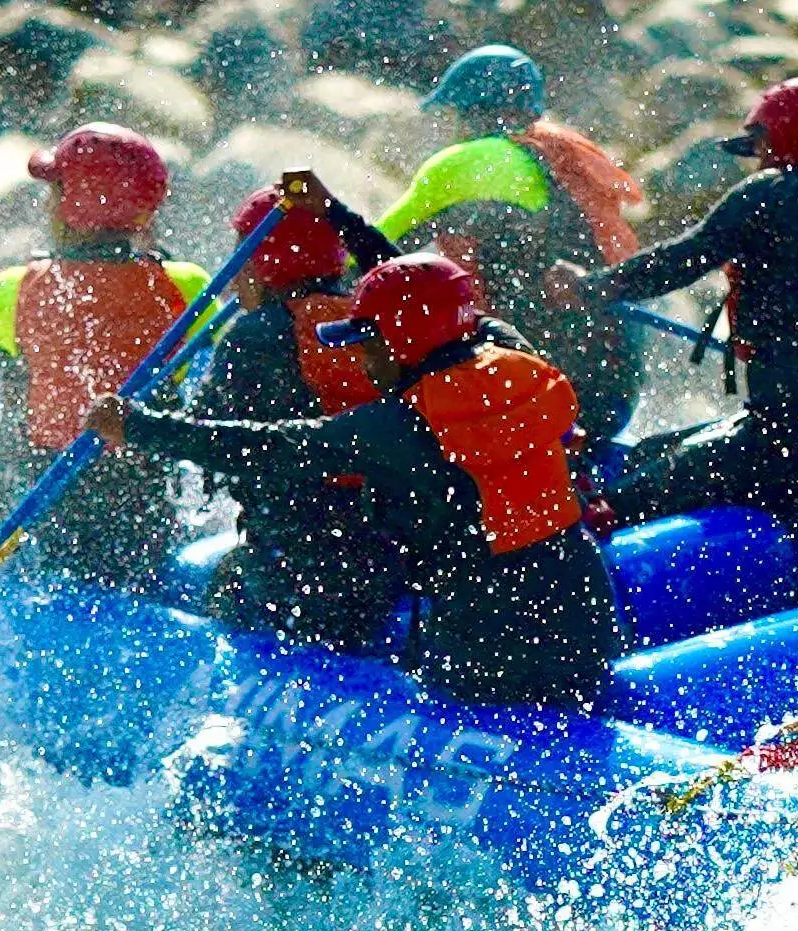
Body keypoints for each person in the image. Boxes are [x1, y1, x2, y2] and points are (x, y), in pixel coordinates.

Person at [85, 252, 625, 711]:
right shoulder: (518, 363)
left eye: (367, 341)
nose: (359, 358)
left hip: (492, 632)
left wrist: (137, 426)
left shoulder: (400, 426)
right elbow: (447, 305)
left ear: (404, 340)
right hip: (585, 605)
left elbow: (265, 448)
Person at [556, 75, 798, 527]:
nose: (757, 157)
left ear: (785, 136)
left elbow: (681, 260)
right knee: (652, 452)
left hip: (776, 447)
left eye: (760, 143)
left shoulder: (771, 192)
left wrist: (589, 287)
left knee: (615, 503)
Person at [0, 123, 206, 581]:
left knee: (17, 374)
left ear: (67, 206)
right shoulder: (189, 287)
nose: (45, 204)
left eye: (53, 191)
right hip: (146, 525)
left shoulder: (11, 292)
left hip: (43, 532)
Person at [181, 172, 408, 650]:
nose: (232, 273)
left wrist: (137, 426)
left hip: (292, 562)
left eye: (240, 257)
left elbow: (204, 439)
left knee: (225, 587)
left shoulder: (252, 336)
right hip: (385, 554)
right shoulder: (372, 318)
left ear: (261, 265)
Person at [378, 44, 647, 438]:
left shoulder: (463, 163)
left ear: (469, 111)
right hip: (614, 392)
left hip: (533, 389)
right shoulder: (568, 157)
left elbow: (371, 251)